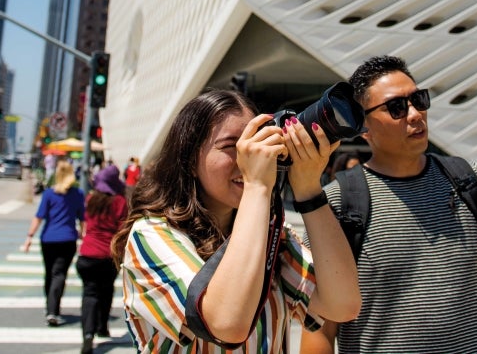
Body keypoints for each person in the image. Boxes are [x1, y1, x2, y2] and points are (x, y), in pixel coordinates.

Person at [301, 55, 477, 354]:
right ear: (362, 126)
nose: (415, 114)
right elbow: (319, 329)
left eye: (418, 100)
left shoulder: (469, 180)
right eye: (396, 108)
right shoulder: (338, 204)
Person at [111, 89, 361, 353]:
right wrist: (256, 187)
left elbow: (343, 305)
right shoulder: (151, 235)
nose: (249, 158)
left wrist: (309, 190)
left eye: (255, 144)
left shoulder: (275, 237)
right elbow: (225, 324)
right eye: (232, 146)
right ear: (190, 161)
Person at [21, 160, 86, 327]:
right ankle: (53, 310)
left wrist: (29, 236)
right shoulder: (77, 194)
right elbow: (83, 219)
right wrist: (83, 236)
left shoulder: (49, 194)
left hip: (48, 239)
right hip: (67, 239)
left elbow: (39, 216)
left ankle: (49, 307)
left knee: (49, 273)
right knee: (59, 274)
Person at [75, 164, 129, 354]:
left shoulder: (90, 199)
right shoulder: (120, 202)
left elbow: (84, 223)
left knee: (89, 294)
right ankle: (102, 326)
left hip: (87, 253)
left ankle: (87, 334)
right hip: (108, 255)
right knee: (106, 292)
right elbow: (123, 229)